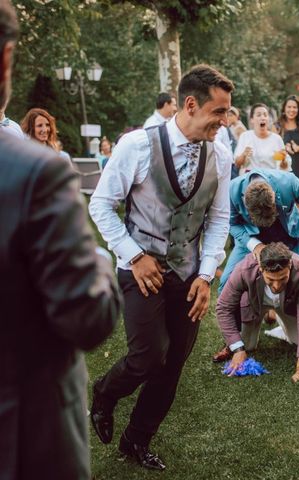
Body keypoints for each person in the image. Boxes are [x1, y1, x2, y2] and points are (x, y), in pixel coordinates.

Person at [88, 64, 234, 470]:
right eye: (219, 112)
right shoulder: (136, 145)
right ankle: (104, 392)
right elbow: (100, 205)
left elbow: (219, 219)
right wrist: (134, 255)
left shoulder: (220, 155)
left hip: (188, 274)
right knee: (149, 356)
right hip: (139, 269)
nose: (225, 122)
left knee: (171, 367)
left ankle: (136, 441)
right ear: (190, 105)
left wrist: (206, 274)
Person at [0, 1, 122, 477]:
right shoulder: (34, 173)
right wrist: (96, 258)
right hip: (24, 436)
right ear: (6, 59)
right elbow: (88, 318)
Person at [217, 168, 299, 291]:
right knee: (226, 282)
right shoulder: (231, 190)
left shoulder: (288, 182)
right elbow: (231, 224)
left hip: (289, 236)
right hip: (250, 238)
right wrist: (255, 245)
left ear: (273, 195)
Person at [215, 242, 299, 384]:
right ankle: (266, 313)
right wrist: (237, 349)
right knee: (247, 346)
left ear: (290, 266)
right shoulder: (244, 269)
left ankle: (275, 314)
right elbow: (223, 307)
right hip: (256, 303)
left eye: (282, 279)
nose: (277, 286)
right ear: (261, 269)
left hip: (287, 305)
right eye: (271, 280)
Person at [235, 103, 288, 173]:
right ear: (252, 119)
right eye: (258, 115)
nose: (263, 118)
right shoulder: (245, 136)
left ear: (268, 119)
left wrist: (284, 160)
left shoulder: (277, 139)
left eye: (265, 115)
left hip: (271, 177)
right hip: (250, 177)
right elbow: (237, 164)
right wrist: (244, 154)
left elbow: (284, 167)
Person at [279, 95, 299, 184]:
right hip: (283, 166)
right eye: (289, 107)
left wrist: (297, 148)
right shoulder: (277, 126)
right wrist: (284, 149)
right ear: (284, 109)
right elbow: (273, 147)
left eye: (294, 107)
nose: (292, 110)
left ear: (298, 109)